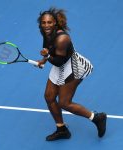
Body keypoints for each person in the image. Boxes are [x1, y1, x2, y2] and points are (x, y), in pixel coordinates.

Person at [37, 7, 107, 141]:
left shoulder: (62, 38)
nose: (46, 25)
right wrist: (43, 60)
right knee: (49, 96)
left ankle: (97, 118)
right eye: (43, 22)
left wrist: (48, 56)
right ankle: (62, 129)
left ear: (55, 23)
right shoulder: (45, 31)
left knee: (64, 103)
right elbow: (48, 48)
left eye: (49, 23)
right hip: (58, 61)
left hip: (73, 67)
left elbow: (59, 61)